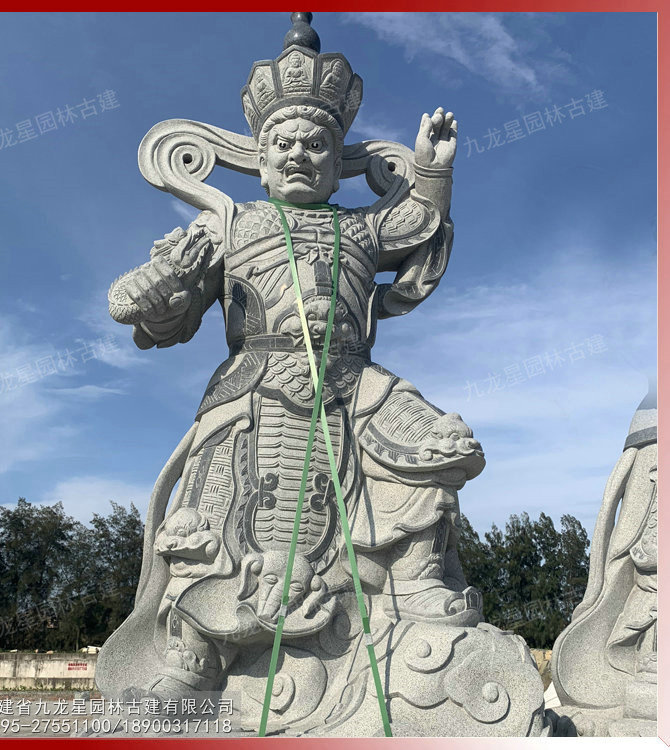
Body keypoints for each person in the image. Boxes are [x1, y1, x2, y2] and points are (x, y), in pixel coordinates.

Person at [103, 19, 485, 701]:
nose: (300, 155)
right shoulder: (230, 223)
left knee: (434, 447)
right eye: (284, 143)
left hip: (352, 379)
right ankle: (194, 656)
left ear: (338, 159)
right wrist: (158, 293)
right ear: (260, 154)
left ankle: (415, 581)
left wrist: (432, 168)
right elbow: (170, 308)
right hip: (254, 382)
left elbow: (417, 223)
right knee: (213, 510)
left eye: (316, 143)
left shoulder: (361, 227)